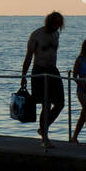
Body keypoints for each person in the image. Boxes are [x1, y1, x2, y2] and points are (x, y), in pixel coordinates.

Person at [21, 11, 65, 147]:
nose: (58, 27)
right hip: (40, 71)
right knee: (45, 104)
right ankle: (45, 138)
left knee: (60, 103)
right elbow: (28, 57)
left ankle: (43, 129)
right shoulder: (36, 35)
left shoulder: (56, 34)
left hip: (53, 71)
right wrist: (24, 76)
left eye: (60, 24)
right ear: (50, 22)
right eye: (56, 24)